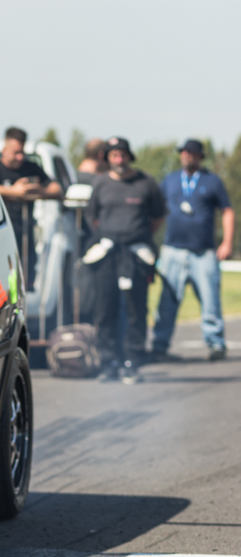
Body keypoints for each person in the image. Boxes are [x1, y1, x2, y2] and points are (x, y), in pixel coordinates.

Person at [83, 137, 166, 384]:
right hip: (107, 254)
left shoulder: (146, 183)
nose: (119, 160)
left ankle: (132, 362)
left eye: (122, 155)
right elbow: (92, 217)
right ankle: (108, 363)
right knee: (104, 309)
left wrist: (136, 236)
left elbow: (158, 217)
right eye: (114, 156)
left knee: (135, 310)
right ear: (108, 158)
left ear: (130, 156)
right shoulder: (101, 183)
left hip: (136, 254)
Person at [151, 139, 234, 362]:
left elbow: (227, 211)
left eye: (191, 152)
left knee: (210, 300)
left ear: (200, 156)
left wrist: (227, 242)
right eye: (184, 152)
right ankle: (159, 345)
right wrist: (150, 238)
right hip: (173, 250)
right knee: (167, 300)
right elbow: (157, 211)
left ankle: (216, 343)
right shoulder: (170, 180)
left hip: (203, 251)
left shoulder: (212, 181)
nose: (186, 156)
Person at [0, 127, 63, 287]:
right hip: (0, 234)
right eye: (15, 152)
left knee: (24, 281)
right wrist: (12, 191)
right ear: (4, 150)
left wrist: (37, 191)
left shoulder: (31, 168)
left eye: (22, 152)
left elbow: (57, 190)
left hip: (25, 233)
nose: (20, 157)